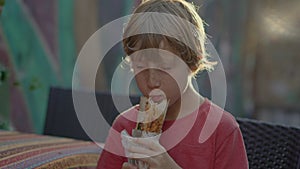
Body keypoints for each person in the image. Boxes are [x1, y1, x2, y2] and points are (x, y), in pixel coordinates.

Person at [97, 0, 248, 168]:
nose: (152, 81)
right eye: (140, 67)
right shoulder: (124, 125)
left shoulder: (221, 130)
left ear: (193, 61)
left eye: (164, 67)